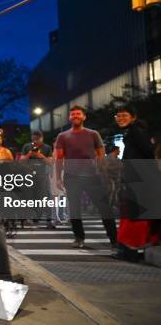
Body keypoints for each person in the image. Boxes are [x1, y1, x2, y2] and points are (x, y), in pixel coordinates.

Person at [55, 105, 117, 248]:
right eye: (73, 114)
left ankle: (114, 239)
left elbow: (101, 155)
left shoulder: (93, 134)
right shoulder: (62, 136)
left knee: (105, 208)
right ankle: (79, 238)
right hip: (71, 176)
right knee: (74, 209)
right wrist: (58, 178)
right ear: (69, 118)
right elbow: (59, 158)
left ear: (84, 117)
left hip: (92, 175)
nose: (75, 116)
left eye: (78, 114)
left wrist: (103, 173)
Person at [112, 106, 160, 262]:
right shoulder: (132, 132)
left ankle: (130, 249)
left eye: (124, 115)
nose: (120, 118)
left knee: (134, 215)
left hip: (140, 180)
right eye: (118, 116)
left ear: (133, 117)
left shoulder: (135, 132)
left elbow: (148, 152)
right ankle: (134, 248)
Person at [21, 130, 55, 228]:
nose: (35, 141)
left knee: (45, 197)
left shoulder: (47, 147)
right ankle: (28, 219)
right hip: (29, 176)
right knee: (28, 198)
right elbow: (21, 161)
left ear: (42, 138)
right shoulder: (27, 147)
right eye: (34, 139)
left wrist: (41, 156)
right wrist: (29, 154)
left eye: (38, 139)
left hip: (42, 176)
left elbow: (51, 162)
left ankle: (49, 220)